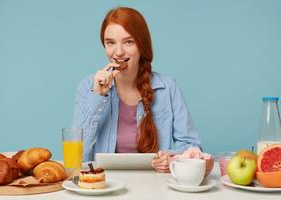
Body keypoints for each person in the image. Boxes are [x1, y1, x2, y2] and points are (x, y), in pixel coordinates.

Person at [72, 7, 203, 173]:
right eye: (110, 42)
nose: (118, 52)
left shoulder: (168, 88)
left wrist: (171, 157)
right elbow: (76, 157)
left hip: (156, 185)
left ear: (142, 45)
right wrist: (98, 96)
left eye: (128, 42)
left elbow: (192, 146)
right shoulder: (88, 87)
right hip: (103, 184)